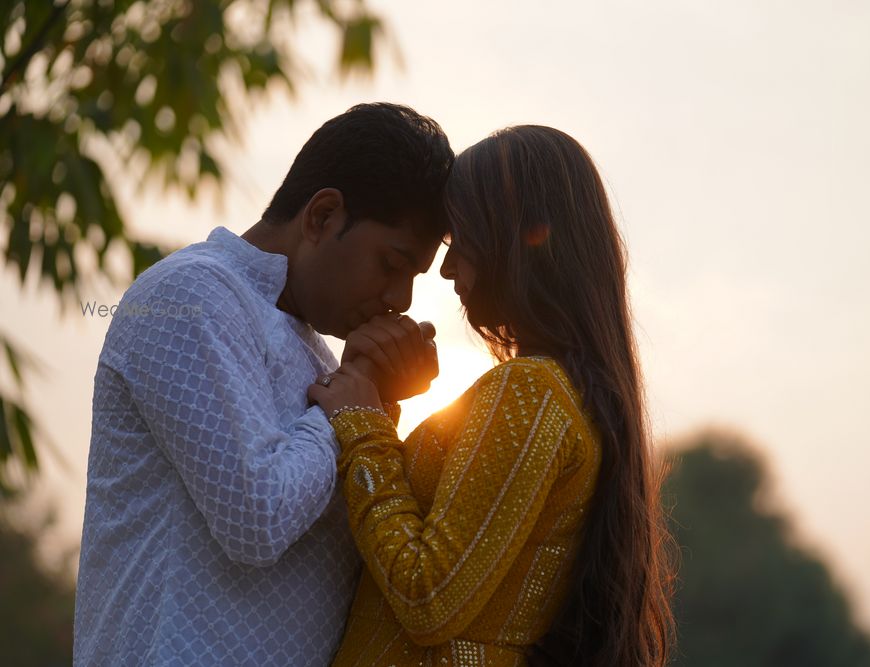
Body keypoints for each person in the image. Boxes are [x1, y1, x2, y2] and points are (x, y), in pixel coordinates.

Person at [74, 103, 452, 666]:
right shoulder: (189, 296)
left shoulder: (321, 359)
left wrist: (376, 405)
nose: (401, 300)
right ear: (323, 216)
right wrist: (355, 397)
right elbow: (256, 518)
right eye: (391, 264)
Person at [309, 125, 675, 666]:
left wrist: (363, 424)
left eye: (461, 242)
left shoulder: (530, 391)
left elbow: (426, 594)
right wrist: (381, 402)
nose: (448, 269)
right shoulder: (564, 394)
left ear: (517, 238)